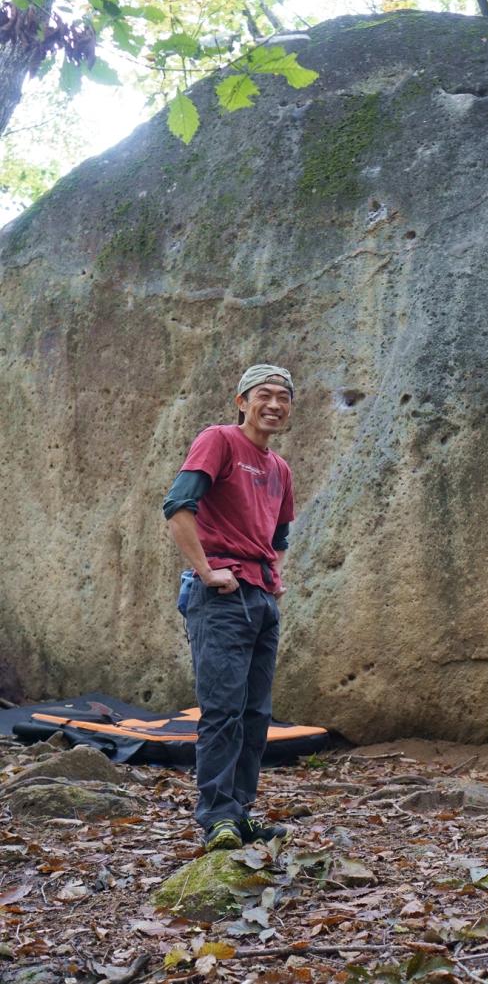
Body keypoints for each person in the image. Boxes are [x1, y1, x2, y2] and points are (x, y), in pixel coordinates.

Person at [163, 364, 295, 851]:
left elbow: (279, 535)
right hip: (219, 596)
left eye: (283, 397)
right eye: (264, 394)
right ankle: (216, 815)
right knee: (222, 710)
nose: (275, 405)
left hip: (260, 598)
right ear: (241, 401)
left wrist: (274, 577)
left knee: (255, 712)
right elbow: (178, 506)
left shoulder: (279, 468)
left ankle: (239, 813)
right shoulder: (219, 440)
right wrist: (205, 570)